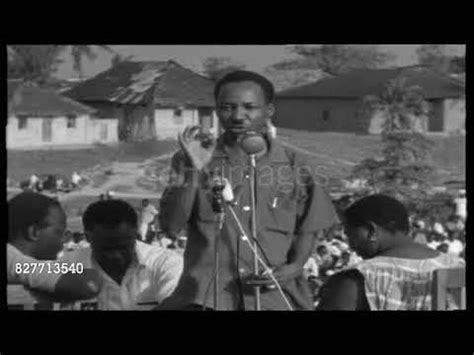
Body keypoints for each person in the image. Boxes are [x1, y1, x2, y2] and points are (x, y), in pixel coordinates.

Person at [159, 71, 339, 310]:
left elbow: (310, 227)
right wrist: (194, 169)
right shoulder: (191, 158)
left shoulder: (296, 165)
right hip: (206, 296)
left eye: (249, 107)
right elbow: (171, 226)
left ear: (269, 111)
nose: (237, 116)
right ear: (216, 110)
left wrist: (295, 266)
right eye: (227, 107)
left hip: (274, 296)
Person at [317, 194, 465, 311]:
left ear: (371, 231)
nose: (350, 245)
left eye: (350, 234)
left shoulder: (358, 279)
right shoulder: (456, 266)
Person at [61, 199, 183, 310]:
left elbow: (178, 305)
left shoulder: (165, 263)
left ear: (136, 234)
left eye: (124, 248)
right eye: (107, 249)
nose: (116, 256)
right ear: (88, 237)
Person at [7, 192, 101, 303]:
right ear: (34, 232)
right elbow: (89, 285)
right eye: (59, 232)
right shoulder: (12, 260)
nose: (64, 240)